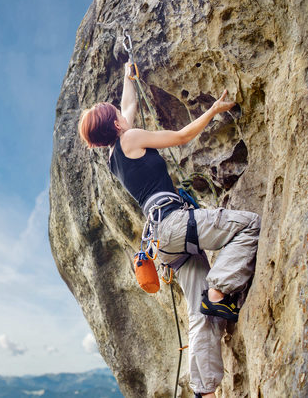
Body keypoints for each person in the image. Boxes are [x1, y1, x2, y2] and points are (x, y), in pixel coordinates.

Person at [77, 62, 260, 397]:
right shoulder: (130, 137)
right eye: (116, 112)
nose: (122, 110)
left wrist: (127, 77)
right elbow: (181, 137)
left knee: (198, 311)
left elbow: (129, 104)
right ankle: (220, 288)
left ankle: (203, 391)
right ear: (115, 124)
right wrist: (215, 110)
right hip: (175, 223)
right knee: (250, 225)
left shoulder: (116, 154)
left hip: (163, 242)